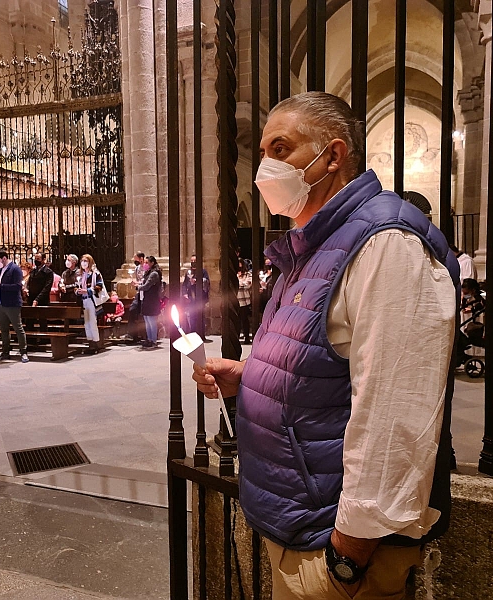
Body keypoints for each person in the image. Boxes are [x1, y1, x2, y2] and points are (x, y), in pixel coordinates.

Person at [193, 92, 458, 600]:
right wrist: (248, 375)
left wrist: (348, 555)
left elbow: (396, 413)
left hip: (337, 547)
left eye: (281, 148)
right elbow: (323, 358)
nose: (265, 165)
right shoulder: (311, 247)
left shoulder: (387, 243)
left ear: (332, 156)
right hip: (299, 526)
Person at [0, 250, 29, 363]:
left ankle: (23, 352)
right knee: (4, 329)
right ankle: (5, 352)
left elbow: (17, 286)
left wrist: (0, 286)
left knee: (18, 328)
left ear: (4, 258)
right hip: (0, 303)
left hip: (12, 303)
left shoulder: (15, 269)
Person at [75, 253, 104, 353]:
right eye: (82, 261)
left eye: (86, 261)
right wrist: (77, 291)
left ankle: (96, 343)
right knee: (86, 322)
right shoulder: (80, 274)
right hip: (83, 300)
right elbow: (76, 286)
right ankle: (90, 342)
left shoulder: (95, 274)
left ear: (90, 262)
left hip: (91, 300)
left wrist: (87, 291)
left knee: (92, 322)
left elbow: (99, 286)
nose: (83, 263)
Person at [182, 254, 210, 341]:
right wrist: (185, 293)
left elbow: (206, 281)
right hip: (191, 297)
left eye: (195, 261)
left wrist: (197, 281)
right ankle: (192, 334)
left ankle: (201, 335)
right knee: (191, 316)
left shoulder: (203, 271)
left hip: (200, 297)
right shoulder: (189, 272)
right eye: (192, 261)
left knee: (201, 316)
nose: (193, 263)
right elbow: (184, 284)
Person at [139, 255, 162, 348]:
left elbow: (147, 285)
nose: (145, 264)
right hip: (147, 298)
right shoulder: (148, 272)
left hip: (152, 299)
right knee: (147, 321)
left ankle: (153, 340)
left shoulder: (154, 274)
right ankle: (149, 339)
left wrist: (138, 287)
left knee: (152, 321)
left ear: (152, 263)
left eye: (146, 263)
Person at [123, 251, 146, 343]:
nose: (134, 261)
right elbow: (138, 279)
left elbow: (146, 279)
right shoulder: (137, 268)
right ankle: (132, 334)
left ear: (141, 259)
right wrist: (135, 283)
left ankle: (148, 336)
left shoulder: (146, 267)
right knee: (132, 310)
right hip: (139, 292)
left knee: (146, 314)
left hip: (146, 293)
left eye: (135, 259)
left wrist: (139, 283)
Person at [237, 258, 252, 344]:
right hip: (236, 301)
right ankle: (237, 336)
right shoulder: (234, 274)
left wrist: (239, 283)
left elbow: (247, 285)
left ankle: (247, 337)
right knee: (237, 321)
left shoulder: (247, 274)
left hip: (245, 301)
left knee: (245, 320)